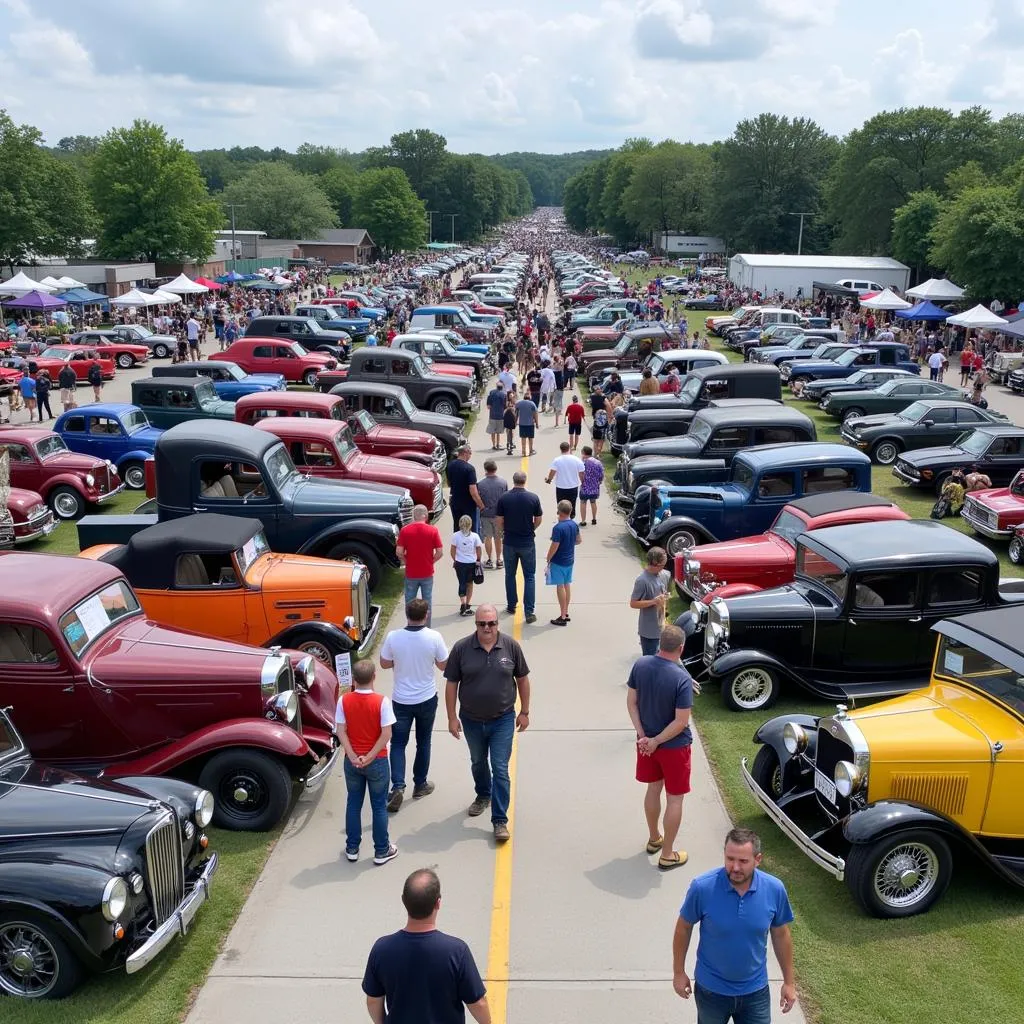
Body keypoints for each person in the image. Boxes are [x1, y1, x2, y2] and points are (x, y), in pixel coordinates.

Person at [673, 828, 797, 1021]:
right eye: (730, 859)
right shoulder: (702, 887)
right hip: (711, 992)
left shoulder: (774, 889)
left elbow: (781, 935)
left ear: (758, 859)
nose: (735, 867)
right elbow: (683, 927)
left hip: (755, 992)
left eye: (743, 861)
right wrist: (679, 972)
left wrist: (789, 982)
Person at [445, 603, 531, 843]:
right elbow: (451, 684)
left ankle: (499, 820)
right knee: (478, 761)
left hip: (502, 719)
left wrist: (524, 711)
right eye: (482, 624)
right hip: (471, 719)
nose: (487, 628)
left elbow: (523, 680)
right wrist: (452, 717)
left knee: (500, 768)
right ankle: (483, 795)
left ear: (497, 623)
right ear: (476, 624)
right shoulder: (462, 648)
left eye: (491, 623)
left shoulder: (511, 647)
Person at [362, 868, 490, 1024]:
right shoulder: (456, 951)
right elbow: (478, 1003)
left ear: (403, 901)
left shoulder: (381, 949)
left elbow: (373, 1000)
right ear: (438, 903)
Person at [626, 625, 693, 870]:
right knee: (675, 800)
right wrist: (655, 741)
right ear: (681, 648)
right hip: (674, 748)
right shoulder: (682, 678)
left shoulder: (640, 665)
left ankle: (654, 838)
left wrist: (644, 736)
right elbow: (681, 721)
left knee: (653, 789)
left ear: (660, 644)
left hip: (646, 744)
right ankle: (667, 854)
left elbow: (631, 703)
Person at [380, 599, 448, 814]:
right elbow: (442, 664)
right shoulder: (434, 637)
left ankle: (398, 786)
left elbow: (383, 663)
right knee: (423, 741)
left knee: (398, 744)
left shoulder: (394, 637)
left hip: (401, 700)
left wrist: (398, 661)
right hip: (427, 698)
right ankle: (420, 784)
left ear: (407, 615)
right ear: (425, 615)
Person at [337, 660, 399, 866]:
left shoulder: (344, 701)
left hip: (352, 762)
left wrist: (353, 755)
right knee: (379, 806)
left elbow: (340, 730)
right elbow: (386, 734)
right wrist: (370, 756)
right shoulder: (382, 702)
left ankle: (352, 848)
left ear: (354, 679)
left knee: (353, 803)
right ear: (374, 677)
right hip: (377, 762)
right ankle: (382, 850)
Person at [495, 471, 543, 624]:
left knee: (510, 575)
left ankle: (511, 605)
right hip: (527, 542)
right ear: (525, 481)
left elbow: (499, 520)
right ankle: (529, 611)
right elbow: (538, 519)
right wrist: (531, 529)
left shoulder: (504, 498)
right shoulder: (533, 498)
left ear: (513, 481)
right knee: (529, 576)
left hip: (509, 542)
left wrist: (505, 531)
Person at [396, 504, 445, 622]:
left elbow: (399, 552)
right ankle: (426, 626)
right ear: (426, 516)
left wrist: (406, 561)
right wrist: (431, 561)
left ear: (414, 515)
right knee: (427, 601)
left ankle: (410, 624)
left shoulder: (405, 530)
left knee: (409, 601)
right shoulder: (433, 530)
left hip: (411, 573)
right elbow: (439, 552)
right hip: (427, 572)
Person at [545, 499, 581, 625]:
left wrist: (548, 557)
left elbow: (555, 545)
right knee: (567, 584)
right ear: (570, 511)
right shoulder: (574, 525)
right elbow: (579, 540)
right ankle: (565, 612)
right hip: (570, 560)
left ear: (559, 511)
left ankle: (562, 616)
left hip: (559, 561)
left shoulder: (558, 528)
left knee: (560, 586)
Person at [630, 547, 671, 656]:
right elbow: (633, 603)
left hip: (662, 627)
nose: (663, 568)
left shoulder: (665, 575)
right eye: (662, 565)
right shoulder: (642, 580)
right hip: (649, 631)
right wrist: (653, 601)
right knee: (650, 660)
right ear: (654, 563)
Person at [477, 460, 507, 569]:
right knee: (498, 538)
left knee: (488, 537)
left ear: (485, 469)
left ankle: (489, 560)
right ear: (496, 469)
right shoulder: (503, 483)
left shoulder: (480, 484)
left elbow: (478, 498)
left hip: (485, 514)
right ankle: (499, 559)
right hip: (499, 515)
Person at [451, 515, 484, 617]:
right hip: (471, 563)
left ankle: (463, 603)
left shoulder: (455, 536)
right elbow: (478, 549)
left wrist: (455, 560)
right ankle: (468, 604)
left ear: (460, 524)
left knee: (462, 583)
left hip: (460, 563)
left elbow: (452, 550)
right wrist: (478, 560)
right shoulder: (475, 536)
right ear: (470, 525)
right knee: (469, 584)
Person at [447, 444, 484, 532]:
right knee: (470, 528)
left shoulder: (450, 465)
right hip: (468, 503)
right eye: (470, 453)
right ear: (465, 453)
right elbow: (473, 491)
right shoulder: (469, 469)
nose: (470, 456)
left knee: (457, 526)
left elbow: (449, 483)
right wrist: (481, 505)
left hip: (455, 501)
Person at [545, 440, 585, 518]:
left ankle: (561, 516)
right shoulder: (576, 460)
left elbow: (552, 472)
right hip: (573, 486)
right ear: (569, 448)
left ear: (561, 449)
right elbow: (581, 473)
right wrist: (583, 482)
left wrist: (549, 480)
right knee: (572, 503)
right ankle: (571, 516)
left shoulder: (557, 460)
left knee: (561, 504)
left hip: (561, 487)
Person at [579, 445, 604, 527]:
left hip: (585, 487)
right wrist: (599, 481)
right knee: (593, 502)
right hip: (594, 486)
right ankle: (594, 519)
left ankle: (583, 521)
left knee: (583, 503)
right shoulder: (598, 462)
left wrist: (582, 481)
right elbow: (601, 474)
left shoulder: (583, 463)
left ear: (584, 453)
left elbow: (581, 474)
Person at [515, 391, 538, 458]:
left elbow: (516, 413)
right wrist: (537, 423)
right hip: (530, 424)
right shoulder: (532, 403)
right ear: (529, 397)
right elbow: (535, 414)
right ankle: (530, 451)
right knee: (530, 438)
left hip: (522, 424)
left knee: (523, 438)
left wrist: (515, 421)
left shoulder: (519, 403)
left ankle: (523, 452)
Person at [485, 381, 507, 451]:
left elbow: (488, 406)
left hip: (492, 415)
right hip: (500, 415)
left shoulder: (491, 393)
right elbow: (505, 406)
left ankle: (493, 445)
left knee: (493, 431)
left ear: (496, 386)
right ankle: (498, 444)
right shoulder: (504, 395)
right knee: (498, 432)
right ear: (502, 387)